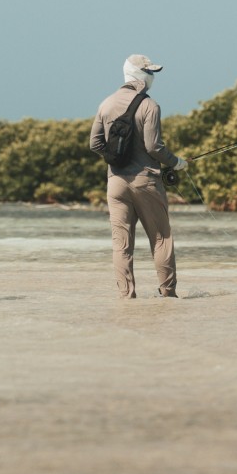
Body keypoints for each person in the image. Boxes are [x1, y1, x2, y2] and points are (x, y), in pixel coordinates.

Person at [89, 54, 188, 299]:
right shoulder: (149, 105)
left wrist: (115, 159)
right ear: (140, 75)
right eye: (150, 72)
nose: (152, 77)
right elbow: (154, 147)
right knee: (161, 238)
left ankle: (126, 297)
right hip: (146, 182)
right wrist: (178, 163)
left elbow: (95, 144)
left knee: (121, 245)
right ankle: (168, 294)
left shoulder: (106, 104)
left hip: (116, 183)